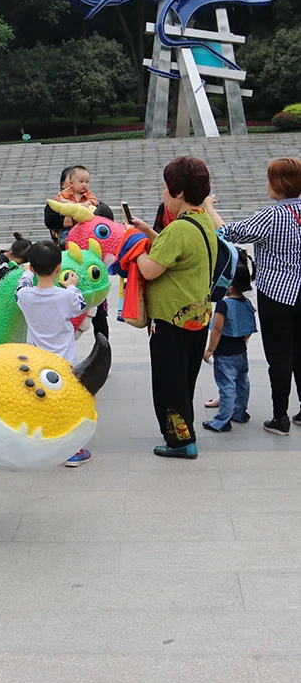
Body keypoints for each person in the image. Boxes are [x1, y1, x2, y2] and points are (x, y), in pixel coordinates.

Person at [206, 157, 301, 435]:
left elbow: (227, 233)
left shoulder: (272, 216)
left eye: (270, 179)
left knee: (280, 357)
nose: (266, 184)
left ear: (280, 183)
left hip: (277, 296)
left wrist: (210, 207)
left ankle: (280, 417)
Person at [131, 156, 217, 460]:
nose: (164, 194)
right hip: (198, 318)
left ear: (178, 192)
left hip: (171, 320)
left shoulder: (178, 227)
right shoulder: (202, 218)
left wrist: (131, 247)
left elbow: (151, 269)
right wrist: (148, 232)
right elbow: (174, 251)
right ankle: (186, 432)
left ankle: (181, 442)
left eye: (165, 188)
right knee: (184, 379)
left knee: (169, 383)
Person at [15, 240, 91, 466]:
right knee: (67, 403)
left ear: (33, 267)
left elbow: (21, 288)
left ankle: (43, 443)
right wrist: (71, 285)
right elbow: (81, 304)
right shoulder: (66, 296)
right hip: (64, 359)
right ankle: (72, 450)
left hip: (37, 360)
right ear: (59, 267)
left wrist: (27, 274)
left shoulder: (26, 297)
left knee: (41, 400)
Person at [202, 253, 257, 433]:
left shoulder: (224, 305)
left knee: (226, 386)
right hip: (241, 352)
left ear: (231, 286)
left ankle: (222, 420)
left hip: (224, 353)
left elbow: (217, 329)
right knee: (242, 383)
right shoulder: (247, 303)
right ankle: (240, 412)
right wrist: (243, 340)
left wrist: (210, 350)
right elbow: (250, 327)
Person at [43, 166, 99, 245]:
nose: (84, 184)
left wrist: (88, 203)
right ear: (70, 182)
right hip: (67, 231)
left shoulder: (88, 194)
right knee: (65, 235)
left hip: (86, 231)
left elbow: (95, 204)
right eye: (80, 181)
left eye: (87, 182)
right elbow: (51, 221)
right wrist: (70, 204)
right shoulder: (62, 197)